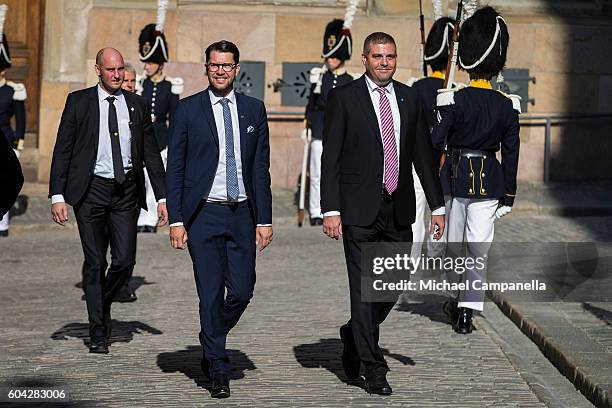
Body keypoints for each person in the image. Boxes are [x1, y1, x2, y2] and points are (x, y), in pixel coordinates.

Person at [321, 32, 446, 395]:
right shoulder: (343, 98)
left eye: (390, 56)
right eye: (377, 56)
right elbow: (331, 158)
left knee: (391, 285)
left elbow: (423, 155)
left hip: (399, 208)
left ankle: (353, 334)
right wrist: (330, 209)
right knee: (364, 291)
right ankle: (374, 368)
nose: (384, 62)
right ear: (365, 58)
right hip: (358, 210)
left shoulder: (410, 98)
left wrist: (437, 207)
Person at [166, 40, 272, 399]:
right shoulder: (187, 110)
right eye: (214, 65)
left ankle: (210, 335)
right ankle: (218, 366)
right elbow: (175, 168)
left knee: (241, 292)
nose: (221, 70)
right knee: (210, 294)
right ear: (206, 67)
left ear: (237, 69)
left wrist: (265, 219)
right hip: (204, 215)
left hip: (242, 213)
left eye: (227, 65)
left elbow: (261, 169)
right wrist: (177, 220)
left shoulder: (254, 110)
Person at [49, 48, 168, 354]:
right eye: (111, 70)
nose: (117, 75)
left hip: (125, 191)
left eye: (120, 70)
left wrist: (163, 197)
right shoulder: (79, 102)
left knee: (125, 261)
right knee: (95, 261)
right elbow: (63, 149)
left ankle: (99, 302)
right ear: (98, 70)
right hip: (90, 192)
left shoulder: (137, 104)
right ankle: (99, 330)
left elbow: (151, 154)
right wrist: (58, 195)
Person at [432, 6, 520, 334]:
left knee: (455, 244)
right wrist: (509, 195)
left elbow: (436, 142)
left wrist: (439, 113)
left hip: (456, 179)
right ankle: (468, 309)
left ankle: (458, 299)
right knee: (478, 247)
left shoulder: (455, 100)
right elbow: (511, 153)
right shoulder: (507, 105)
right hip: (490, 183)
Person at [408, 17, 455, 251]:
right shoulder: (456, 91)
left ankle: (413, 260)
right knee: (441, 211)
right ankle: (436, 256)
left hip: (418, 160)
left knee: (416, 213)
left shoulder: (417, 87)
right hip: (445, 162)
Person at [304, 18, 354, 226]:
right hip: (320, 131)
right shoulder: (320, 78)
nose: (330, 59)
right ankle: (316, 210)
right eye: (329, 55)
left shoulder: (349, 81)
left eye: (334, 56)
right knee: (316, 174)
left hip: (341, 134)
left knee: (340, 173)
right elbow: (311, 105)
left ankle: (336, 208)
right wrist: (307, 125)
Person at [136, 19, 182, 233]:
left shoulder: (170, 86)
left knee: (155, 181)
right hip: (142, 138)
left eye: (150, 62)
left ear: (160, 63)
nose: (146, 66)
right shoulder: (140, 84)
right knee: (141, 180)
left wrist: (173, 144)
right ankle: (139, 217)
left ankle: (150, 219)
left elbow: (174, 117)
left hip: (161, 139)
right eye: (146, 62)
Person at [0, 4, 26, 238]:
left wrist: (19, 143)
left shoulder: (13, 90)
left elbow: (21, 118)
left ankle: (3, 223)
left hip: (6, 141)